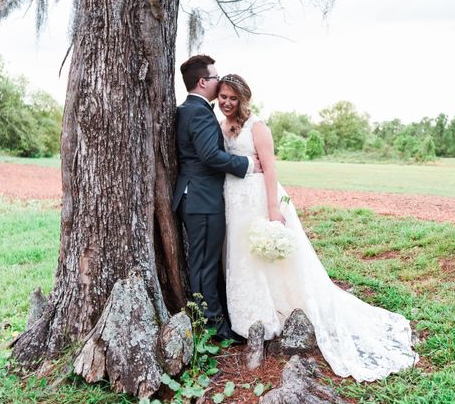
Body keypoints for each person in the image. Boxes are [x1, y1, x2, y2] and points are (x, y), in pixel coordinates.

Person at [217, 73, 418, 381]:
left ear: (243, 99)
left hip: (258, 198)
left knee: (267, 258)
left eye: (233, 97)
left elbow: (270, 168)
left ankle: (277, 314)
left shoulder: (258, 127)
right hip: (234, 201)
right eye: (223, 96)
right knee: (242, 257)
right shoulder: (222, 126)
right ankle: (250, 319)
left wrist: (273, 209)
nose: (227, 102)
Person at [172, 55, 261, 343]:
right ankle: (214, 329)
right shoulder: (197, 112)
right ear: (203, 82)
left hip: (197, 196)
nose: (218, 81)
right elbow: (209, 155)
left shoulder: (191, 109)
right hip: (201, 199)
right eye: (215, 78)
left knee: (204, 263)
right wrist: (246, 165)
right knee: (204, 265)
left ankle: (213, 321)